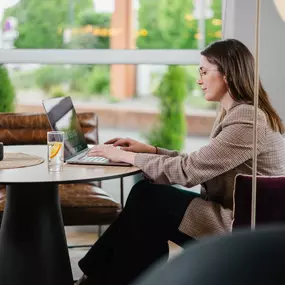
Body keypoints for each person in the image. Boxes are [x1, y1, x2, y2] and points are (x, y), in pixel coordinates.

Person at [76, 39, 285, 285]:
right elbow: (198, 162)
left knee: (148, 201)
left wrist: (127, 156)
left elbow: (189, 171)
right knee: (147, 207)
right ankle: (101, 277)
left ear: (227, 75)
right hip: (233, 214)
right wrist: (150, 150)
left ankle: (97, 277)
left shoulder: (248, 120)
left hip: (240, 224)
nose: (199, 80)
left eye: (204, 72)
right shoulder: (238, 112)